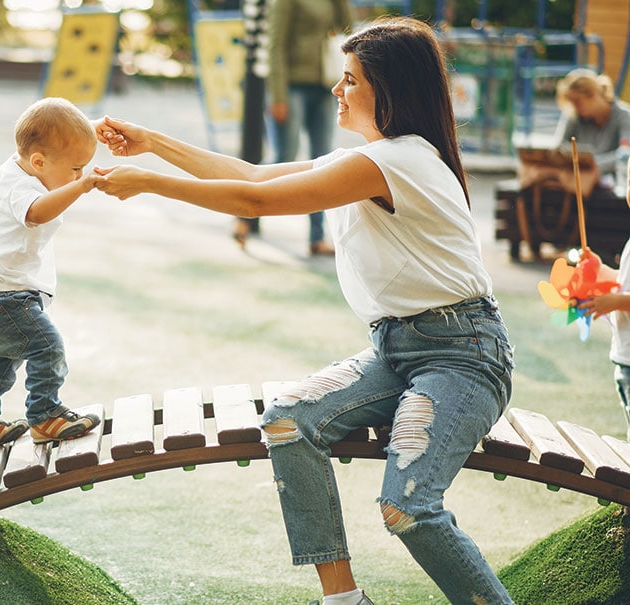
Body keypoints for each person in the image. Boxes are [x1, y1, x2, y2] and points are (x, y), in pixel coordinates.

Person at [93, 17, 515, 605]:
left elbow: (254, 200)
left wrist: (150, 182)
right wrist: (150, 142)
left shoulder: (394, 162)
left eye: (350, 80)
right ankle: (343, 599)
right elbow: (253, 175)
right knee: (288, 421)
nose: (337, 91)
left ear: (388, 90)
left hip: (462, 355)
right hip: (397, 351)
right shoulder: (373, 158)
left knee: (408, 507)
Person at [0, 97, 103, 455]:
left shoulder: (27, 166)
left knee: (2, 361)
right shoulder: (17, 187)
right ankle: (45, 415)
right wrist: (82, 188)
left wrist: (85, 134)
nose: (79, 176)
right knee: (47, 346)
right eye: (75, 169)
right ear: (38, 161)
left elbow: (55, 143)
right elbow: (37, 213)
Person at [234, 0, 351, 256]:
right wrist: (277, 96)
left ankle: (316, 237)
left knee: (324, 163)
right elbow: (274, 46)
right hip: (291, 87)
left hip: (324, 84)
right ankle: (244, 213)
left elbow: (347, 27)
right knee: (284, 156)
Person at [578, 157, 630, 440]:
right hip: (624, 356)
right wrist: (599, 268)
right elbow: (622, 282)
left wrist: (614, 302)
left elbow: (623, 295)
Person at [554, 68, 630, 187]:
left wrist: (595, 164)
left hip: (613, 180)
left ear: (593, 95)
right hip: (576, 175)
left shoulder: (624, 116)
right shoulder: (575, 114)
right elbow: (560, 146)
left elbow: (626, 154)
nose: (575, 107)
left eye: (578, 102)